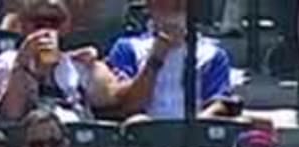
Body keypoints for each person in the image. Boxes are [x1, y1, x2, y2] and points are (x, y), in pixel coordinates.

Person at [103, 0, 241, 121]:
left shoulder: (212, 54)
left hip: (194, 142)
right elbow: (128, 105)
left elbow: (219, 104)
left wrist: (194, 127)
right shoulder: (128, 48)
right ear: (150, 4)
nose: (177, 3)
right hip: (142, 140)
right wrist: (156, 57)